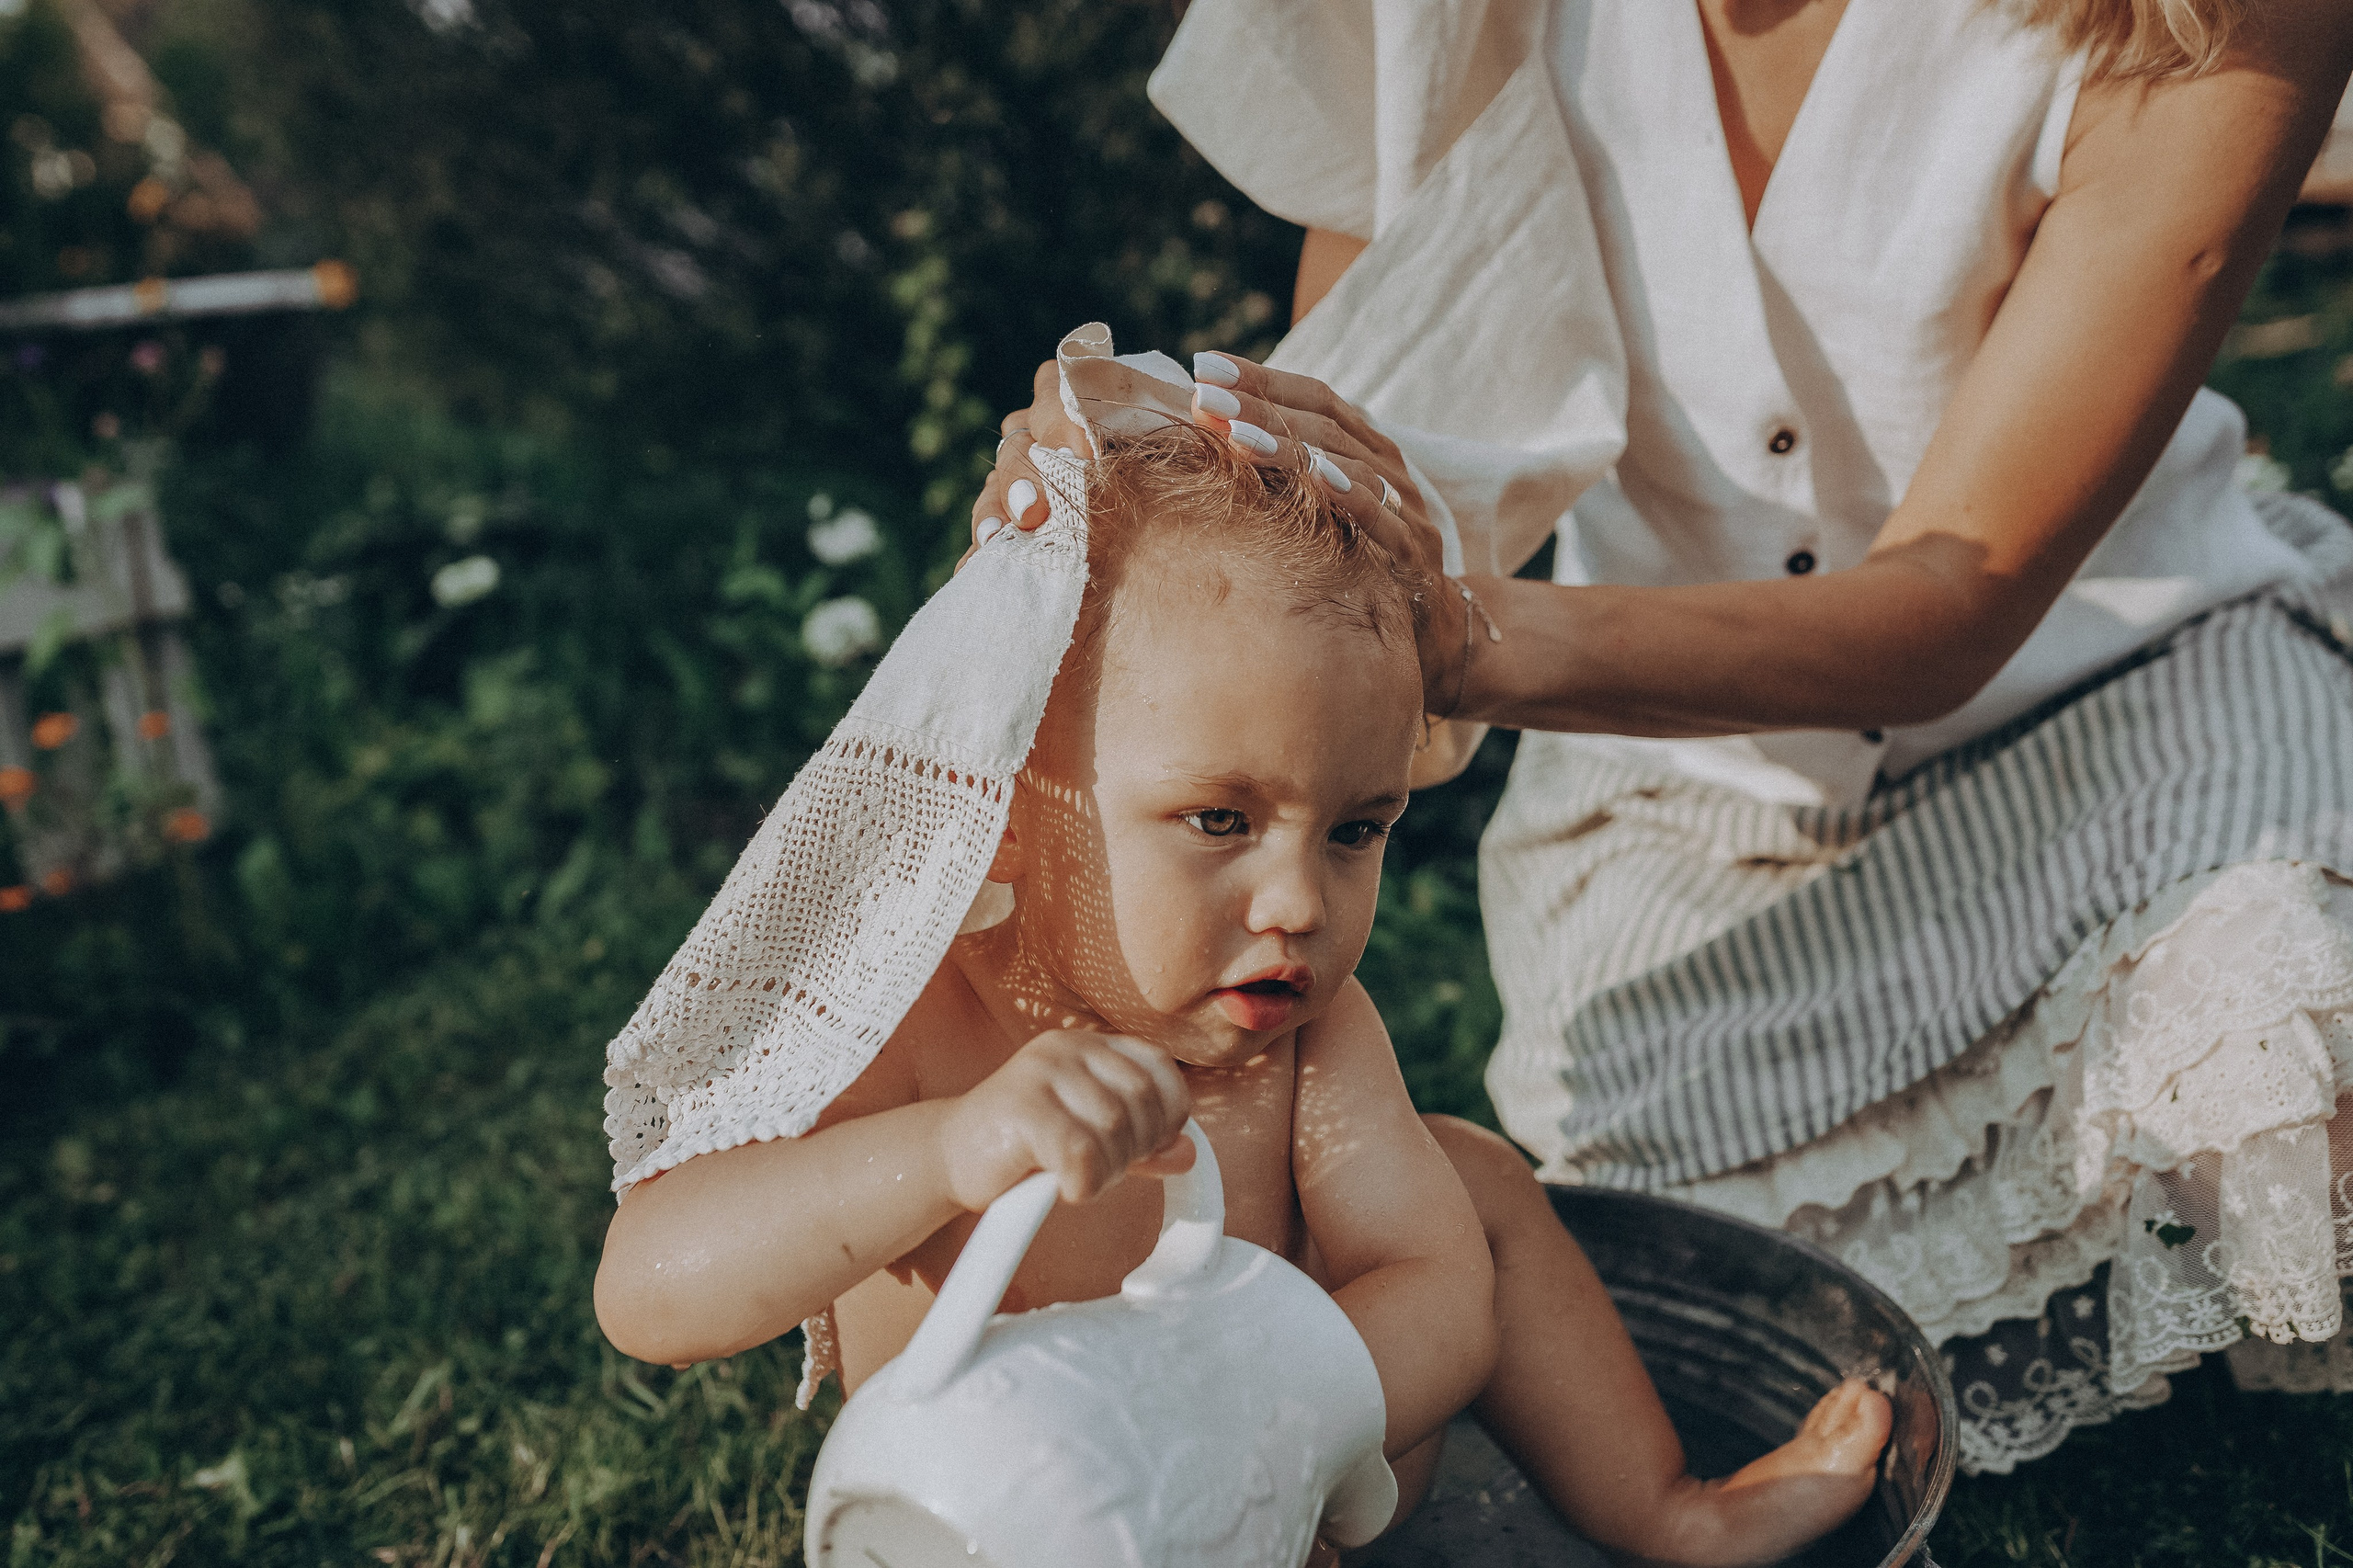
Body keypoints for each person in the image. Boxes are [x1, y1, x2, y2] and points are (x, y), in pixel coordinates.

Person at [973, 0, 2353, 1472]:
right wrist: (1146, 499)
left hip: (2123, 700)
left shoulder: (2219, 18)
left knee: (2283, 1036)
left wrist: (1460, 640)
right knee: (1675, 1289)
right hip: (1687, 791)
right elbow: (1367, 449)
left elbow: (1963, 593)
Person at [596, 397, 1892, 1564]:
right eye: (1219, 820)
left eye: (1356, 828)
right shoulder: (919, 1023)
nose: (1299, 902)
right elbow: (650, 1288)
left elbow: (1438, 1293)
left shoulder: (1302, 1040)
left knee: (1476, 1178)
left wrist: (1261, 1453)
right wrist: (944, 1150)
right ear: (999, 811)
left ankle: (1667, 1510)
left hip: (1274, 1496)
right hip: (1008, 1521)